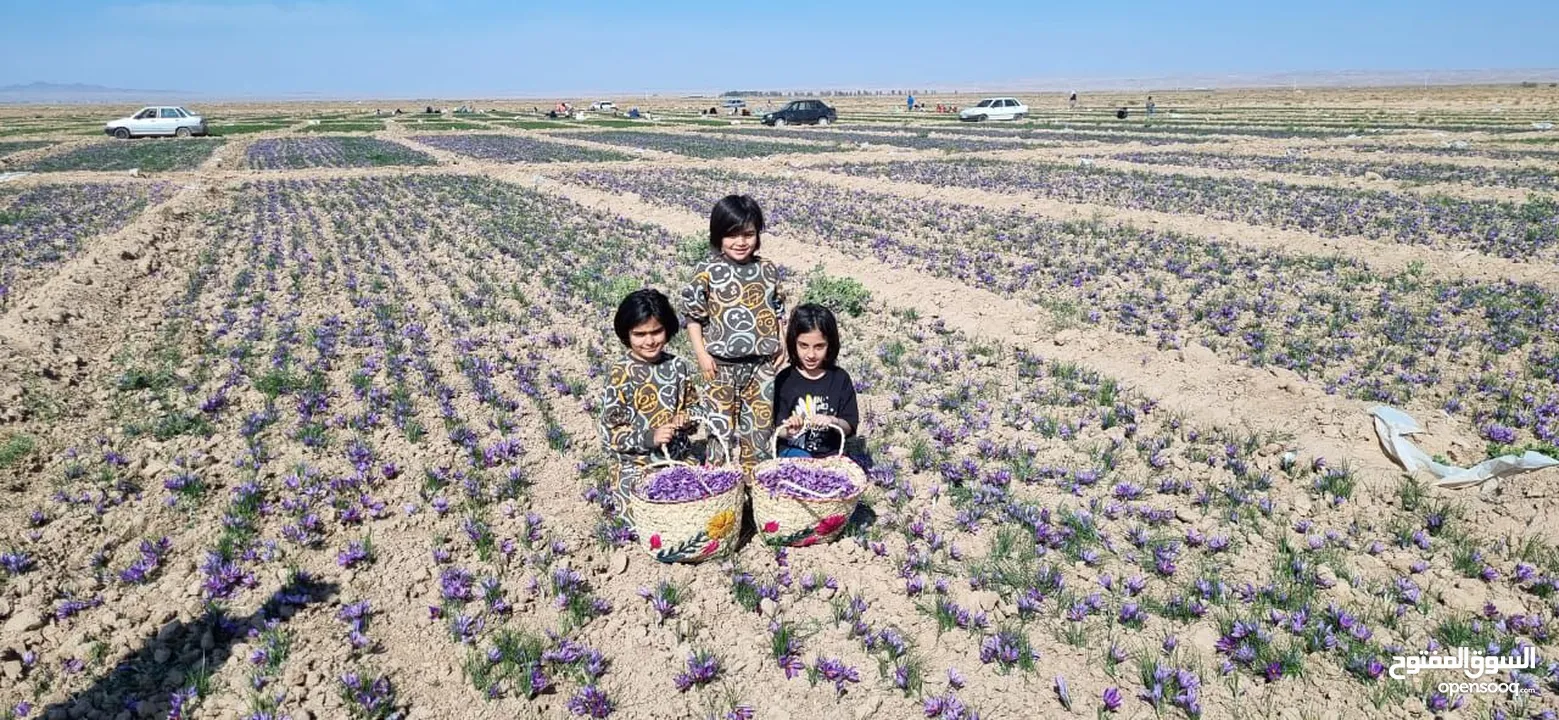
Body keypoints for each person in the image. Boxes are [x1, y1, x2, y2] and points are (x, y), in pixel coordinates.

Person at [679, 195, 787, 470]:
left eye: (748, 234)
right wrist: (702, 355)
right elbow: (693, 317)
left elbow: (777, 310)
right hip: (720, 368)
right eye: (732, 235)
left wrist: (782, 342)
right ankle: (720, 495)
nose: (741, 242)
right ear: (718, 236)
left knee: (760, 432)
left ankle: (755, 492)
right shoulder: (708, 272)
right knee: (719, 432)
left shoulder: (767, 270)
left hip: (761, 366)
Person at [597, 289, 700, 514]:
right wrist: (649, 437)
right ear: (627, 334)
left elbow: (694, 408)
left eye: (657, 332)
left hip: (677, 458)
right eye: (640, 334)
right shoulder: (620, 373)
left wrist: (687, 419)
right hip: (638, 463)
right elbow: (610, 434)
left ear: (668, 329)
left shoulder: (677, 367)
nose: (650, 341)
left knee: (699, 502)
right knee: (644, 510)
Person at [773, 304, 869, 469]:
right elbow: (776, 429)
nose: (811, 354)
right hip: (793, 454)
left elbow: (849, 426)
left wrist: (832, 421)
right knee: (803, 465)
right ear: (793, 343)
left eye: (819, 347)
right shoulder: (785, 379)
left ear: (830, 345)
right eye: (803, 345)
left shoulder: (840, 379)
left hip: (830, 457)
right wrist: (790, 429)